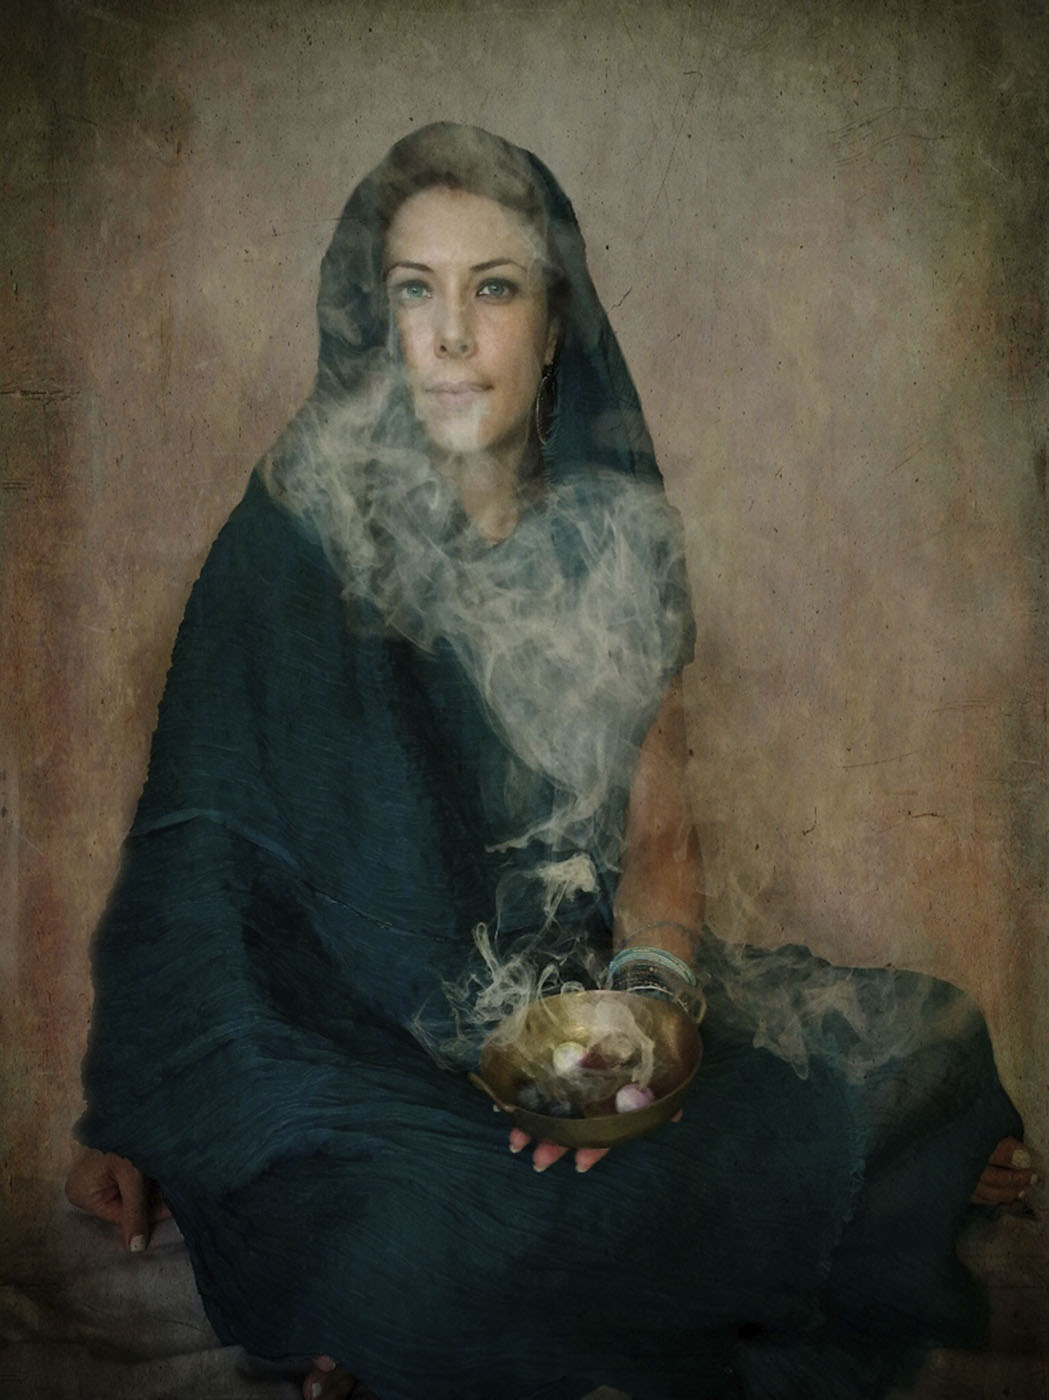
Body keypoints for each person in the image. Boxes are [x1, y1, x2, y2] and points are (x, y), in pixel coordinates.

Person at [66, 124, 1032, 1400]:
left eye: (494, 288)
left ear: (554, 320)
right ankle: (428, 1290)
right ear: (375, 320)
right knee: (430, 1233)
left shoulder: (620, 541)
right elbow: (195, 864)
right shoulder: (290, 535)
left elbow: (659, 851)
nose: (450, 335)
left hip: (558, 1009)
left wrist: (637, 1038)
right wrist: (139, 1107)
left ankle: (459, 1301)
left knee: (914, 1045)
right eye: (413, 290)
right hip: (332, 1055)